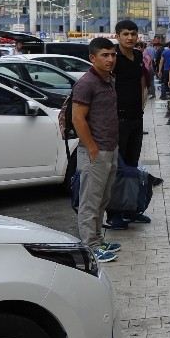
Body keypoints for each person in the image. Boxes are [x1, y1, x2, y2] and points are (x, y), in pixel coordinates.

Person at [71, 38, 122, 263]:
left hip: (110, 148)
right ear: (93, 58)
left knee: (102, 198)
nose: (110, 59)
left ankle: (98, 239)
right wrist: (92, 147)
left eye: (112, 55)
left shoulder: (109, 79)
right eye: (105, 55)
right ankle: (89, 246)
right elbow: (78, 119)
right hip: (94, 151)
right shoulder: (86, 83)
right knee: (90, 200)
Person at [106, 20, 150, 230]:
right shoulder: (113, 58)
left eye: (133, 34)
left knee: (131, 167)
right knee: (117, 169)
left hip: (135, 119)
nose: (130, 38)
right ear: (117, 36)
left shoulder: (138, 56)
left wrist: (142, 106)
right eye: (125, 34)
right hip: (118, 120)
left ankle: (131, 209)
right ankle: (114, 214)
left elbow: (141, 83)